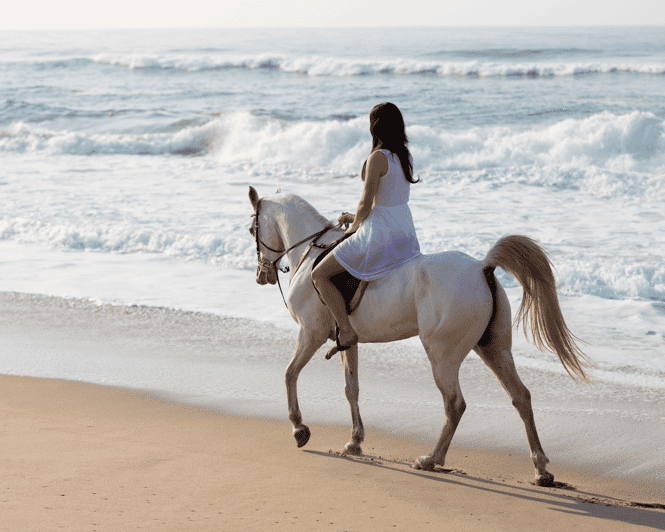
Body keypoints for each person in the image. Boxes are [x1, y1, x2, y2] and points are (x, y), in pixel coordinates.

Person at [311, 102, 422, 351]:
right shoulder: (405, 156)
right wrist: (354, 216)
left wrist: (354, 228)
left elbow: (366, 202)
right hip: (404, 231)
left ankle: (347, 330)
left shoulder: (377, 158)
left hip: (380, 233)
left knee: (319, 275)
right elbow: (389, 201)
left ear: (375, 127)